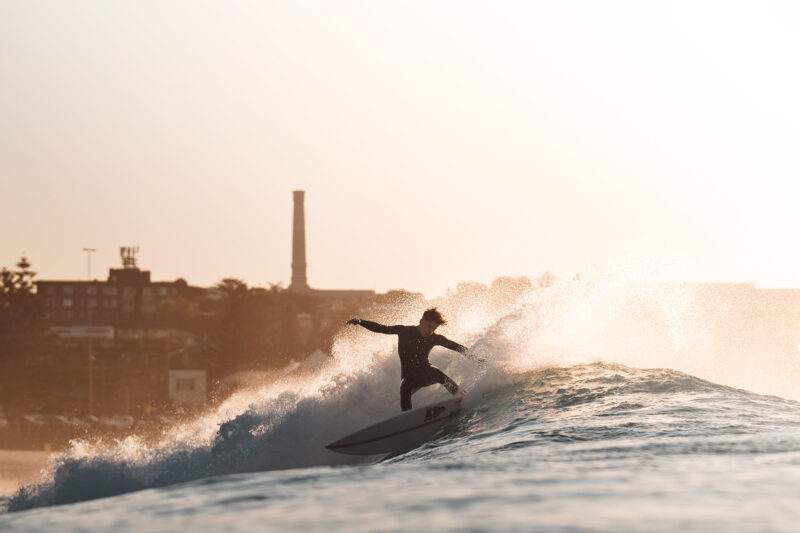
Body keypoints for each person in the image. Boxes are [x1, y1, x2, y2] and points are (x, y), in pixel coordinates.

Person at [347, 307, 471, 411]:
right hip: (409, 377)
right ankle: (407, 416)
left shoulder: (435, 338)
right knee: (404, 388)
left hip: (426, 372)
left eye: (434, 328)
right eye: (428, 326)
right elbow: (382, 328)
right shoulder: (405, 331)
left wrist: (475, 357)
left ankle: (460, 397)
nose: (430, 331)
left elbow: (456, 347)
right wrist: (361, 321)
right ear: (421, 321)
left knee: (437, 373)